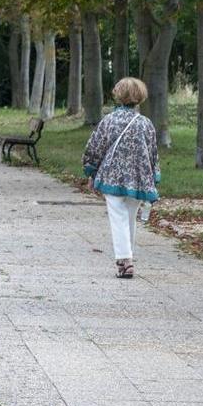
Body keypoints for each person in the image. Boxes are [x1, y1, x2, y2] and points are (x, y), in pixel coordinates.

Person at [82, 77, 160, 279]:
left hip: (113, 177)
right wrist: (153, 177)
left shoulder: (109, 120)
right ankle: (127, 258)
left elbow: (95, 147)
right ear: (140, 98)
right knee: (130, 218)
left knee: (118, 217)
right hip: (138, 178)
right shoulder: (146, 123)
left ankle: (125, 261)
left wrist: (90, 170)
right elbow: (153, 153)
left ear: (118, 96)